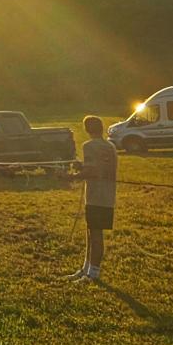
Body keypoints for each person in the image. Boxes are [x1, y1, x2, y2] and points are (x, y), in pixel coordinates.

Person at [72, 115, 117, 282]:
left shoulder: (89, 146)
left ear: (87, 129)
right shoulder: (110, 146)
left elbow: (90, 172)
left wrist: (71, 176)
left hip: (95, 196)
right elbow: (98, 167)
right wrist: (82, 166)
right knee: (92, 232)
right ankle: (86, 268)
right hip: (108, 195)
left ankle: (93, 273)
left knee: (95, 234)